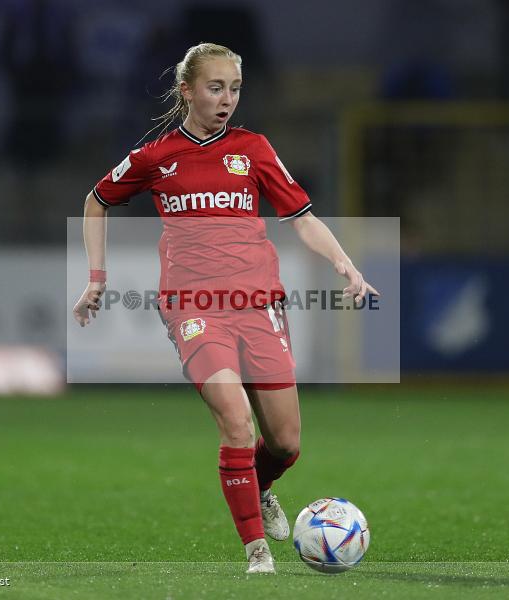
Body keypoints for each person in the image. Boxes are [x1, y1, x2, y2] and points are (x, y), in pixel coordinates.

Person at [72, 43, 377, 574]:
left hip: (258, 303)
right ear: (186, 90)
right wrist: (97, 278)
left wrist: (345, 264)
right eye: (216, 88)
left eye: (235, 89)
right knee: (236, 424)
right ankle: (256, 551)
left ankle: (258, 488)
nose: (227, 99)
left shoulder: (254, 149)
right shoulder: (156, 157)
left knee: (283, 443)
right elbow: (96, 199)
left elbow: (302, 217)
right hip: (192, 306)